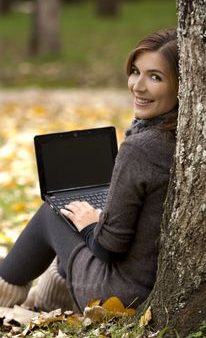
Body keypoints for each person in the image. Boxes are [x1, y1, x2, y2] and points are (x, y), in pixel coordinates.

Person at [0, 28, 179, 312]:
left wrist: (92, 224)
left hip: (118, 294)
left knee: (55, 213)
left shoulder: (141, 148)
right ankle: (54, 294)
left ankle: (4, 287)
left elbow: (109, 248)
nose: (137, 86)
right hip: (149, 283)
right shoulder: (185, 138)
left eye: (155, 77)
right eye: (135, 71)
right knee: (75, 213)